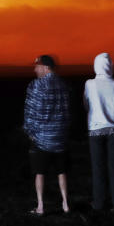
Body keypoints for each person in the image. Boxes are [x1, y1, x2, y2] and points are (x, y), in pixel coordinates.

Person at [23, 55, 71, 215]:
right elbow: (67, 112)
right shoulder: (64, 85)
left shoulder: (36, 86)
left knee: (40, 172)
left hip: (42, 138)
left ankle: (41, 206)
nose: (34, 69)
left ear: (45, 67)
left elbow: (30, 112)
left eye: (37, 66)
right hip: (60, 137)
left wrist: (30, 132)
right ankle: (65, 203)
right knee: (61, 171)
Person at [84, 52, 114, 211]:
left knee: (98, 167)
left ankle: (99, 203)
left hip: (95, 129)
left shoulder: (89, 84)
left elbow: (86, 104)